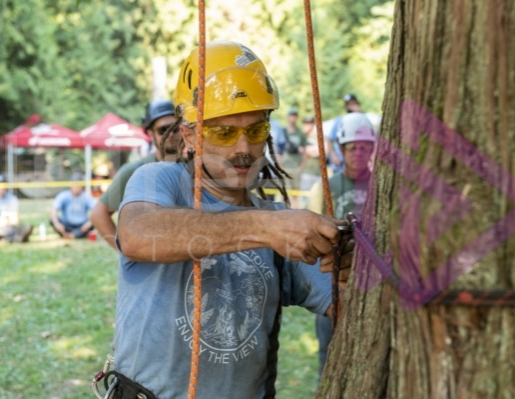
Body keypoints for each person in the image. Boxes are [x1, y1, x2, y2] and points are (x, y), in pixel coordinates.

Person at [109, 40, 352, 399]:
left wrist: (352, 263)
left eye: (255, 131)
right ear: (190, 136)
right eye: (223, 132)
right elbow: (138, 233)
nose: (243, 149)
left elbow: (346, 298)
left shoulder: (278, 223)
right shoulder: (162, 180)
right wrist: (264, 227)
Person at [306, 112, 377, 377]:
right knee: (330, 353)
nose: (358, 153)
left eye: (364, 147)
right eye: (352, 147)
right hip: (335, 287)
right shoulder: (326, 188)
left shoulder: (383, 187)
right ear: (342, 149)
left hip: (374, 285)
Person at [90, 100, 179, 249]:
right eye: (163, 130)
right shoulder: (134, 171)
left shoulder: (193, 167)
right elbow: (98, 214)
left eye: (175, 129)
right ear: (150, 133)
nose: (171, 134)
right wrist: (124, 251)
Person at [325, 93, 366, 173]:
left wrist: (358, 112)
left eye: (353, 104)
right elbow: (329, 140)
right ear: (346, 107)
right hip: (340, 165)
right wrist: (333, 156)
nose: (351, 106)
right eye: (349, 104)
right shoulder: (340, 120)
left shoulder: (363, 120)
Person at [50, 172, 96, 239]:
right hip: (66, 224)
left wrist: (88, 224)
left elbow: (96, 210)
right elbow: (54, 210)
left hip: (81, 225)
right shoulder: (63, 195)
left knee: (95, 221)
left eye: (78, 185)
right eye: (74, 184)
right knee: (52, 220)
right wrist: (57, 223)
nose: (76, 187)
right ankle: (69, 234)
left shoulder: (86, 197)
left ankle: (74, 235)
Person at [0, 174, 33, 243]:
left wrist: (4, 222)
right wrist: (0, 221)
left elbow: (15, 221)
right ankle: (15, 237)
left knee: (10, 229)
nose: (2, 187)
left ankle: (11, 236)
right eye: (0, 184)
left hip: (7, 227)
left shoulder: (12, 199)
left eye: (4, 184)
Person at [280, 107, 308, 208]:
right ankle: (282, 214)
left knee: (295, 195)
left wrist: (302, 166)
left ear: (297, 118)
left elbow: (305, 151)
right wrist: (280, 166)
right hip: (285, 167)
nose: (293, 118)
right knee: (284, 194)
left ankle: (294, 213)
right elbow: (277, 150)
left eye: (295, 116)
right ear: (288, 117)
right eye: (291, 116)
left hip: (296, 167)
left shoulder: (300, 133)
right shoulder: (282, 132)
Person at [298, 115, 321, 208]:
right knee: (304, 199)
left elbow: (324, 151)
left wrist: (309, 150)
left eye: (309, 123)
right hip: (306, 172)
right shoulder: (301, 136)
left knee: (317, 200)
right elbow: (301, 150)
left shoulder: (319, 136)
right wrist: (314, 150)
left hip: (318, 172)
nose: (307, 126)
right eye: (305, 124)